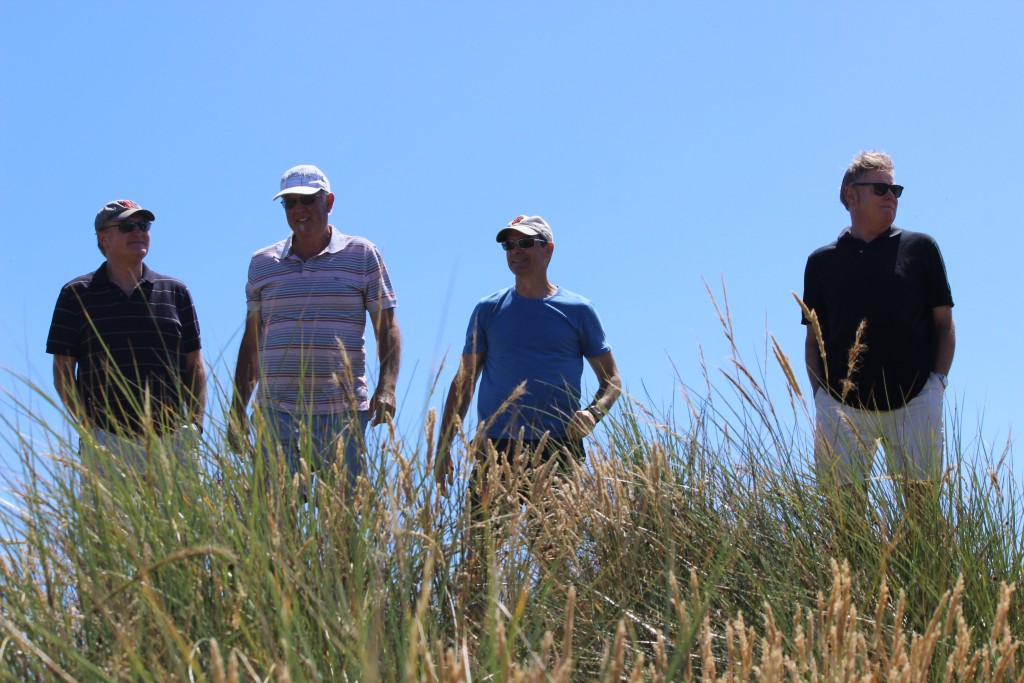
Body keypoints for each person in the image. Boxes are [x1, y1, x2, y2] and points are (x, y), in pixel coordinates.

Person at [230, 164, 401, 488]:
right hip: (275, 413)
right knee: (276, 518)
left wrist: (387, 387)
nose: (299, 209)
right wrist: (237, 409)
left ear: (329, 202)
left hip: (343, 413)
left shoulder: (362, 254)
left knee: (344, 519)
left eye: (308, 200)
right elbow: (252, 341)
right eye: (290, 203)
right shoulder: (263, 263)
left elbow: (387, 326)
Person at [801, 151, 955, 508]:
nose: (891, 197)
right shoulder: (821, 262)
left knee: (923, 515)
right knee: (844, 517)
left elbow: (944, 323)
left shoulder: (921, 249)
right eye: (881, 189)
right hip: (843, 407)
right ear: (851, 195)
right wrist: (821, 397)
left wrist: (936, 384)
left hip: (915, 401)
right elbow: (813, 339)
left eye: (895, 190)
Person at [436, 215, 621, 501]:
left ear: (548, 249)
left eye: (525, 243)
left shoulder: (578, 310)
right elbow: (464, 382)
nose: (515, 251)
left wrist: (593, 414)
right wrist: (442, 446)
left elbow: (612, 382)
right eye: (509, 246)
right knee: (485, 545)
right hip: (494, 448)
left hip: (559, 447)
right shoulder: (488, 310)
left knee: (553, 546)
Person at [46, 199, 206, 474]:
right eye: (127, 226)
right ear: (103, 238)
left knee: (183, 519)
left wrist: (194, 426)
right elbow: (63, 371)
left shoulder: (176, 291)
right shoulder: (76, 294)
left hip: (173, 441)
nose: (138, 232)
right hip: (107, 442)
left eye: (144, 225)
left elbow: (196, 367)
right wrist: (87, 427)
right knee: (108, 520)